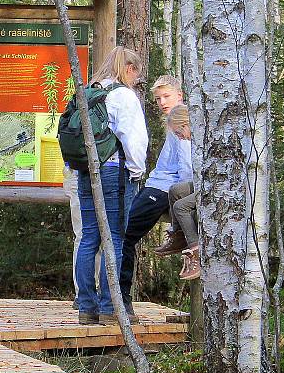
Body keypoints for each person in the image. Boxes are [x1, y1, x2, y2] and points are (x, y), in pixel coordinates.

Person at [75, 47, 148, 325]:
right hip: (115, 173)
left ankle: (86, 308)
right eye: (135, 73)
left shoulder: (90, 91)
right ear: (129, 68)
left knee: (89, 237)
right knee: (114, 238)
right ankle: (110, 307)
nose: (135, 79)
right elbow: (133, 140)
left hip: (86, 172)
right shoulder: (124, 96)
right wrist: (137, 172)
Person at [119, 75, 192, 309]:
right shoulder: (173, 119)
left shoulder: (181, 120)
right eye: (158, 98)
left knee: (125, 235)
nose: (162, 102)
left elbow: (186, 165)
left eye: (167, 96)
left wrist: (179, 197)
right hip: (158, 183)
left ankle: (121, 299)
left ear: (179, 95)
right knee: (125, 232)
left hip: (163, 189)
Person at [154, 104, 199, 280]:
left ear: (186, 124)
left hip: (214, 186)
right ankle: (179, 237)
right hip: (200, 183)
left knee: (181, 207)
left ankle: (196, 252)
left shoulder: (202, 138)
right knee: (175, 191)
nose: (179, 137)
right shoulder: (189, 141)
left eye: (179, 132)